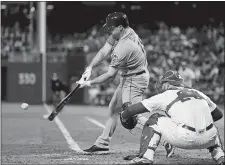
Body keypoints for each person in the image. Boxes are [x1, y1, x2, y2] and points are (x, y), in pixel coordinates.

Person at [77, 11, 174, 157]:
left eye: (111, 28)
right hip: (130, 77)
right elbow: (104, 50)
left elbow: (110, 75)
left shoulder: (124, 46)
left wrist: (89, 83)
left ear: (120, 27)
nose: (109, 30)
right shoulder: (125, 32)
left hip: (133, 80)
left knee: (131, 116)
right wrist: (89, 68)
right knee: (113, 109)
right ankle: (103, 143)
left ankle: (167, 139)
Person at [120, 70, 224, 164]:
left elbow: (132, 110)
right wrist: (199, 124)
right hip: (208, 139)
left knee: (155, 118)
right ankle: (220, 155)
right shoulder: (198, 93)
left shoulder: (166, 95)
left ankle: (145, 157)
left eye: (163, 83)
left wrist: (123, 115)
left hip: (184, 138)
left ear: (167, 84)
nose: (161, 85)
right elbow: (219, 114)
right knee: (210, 126)